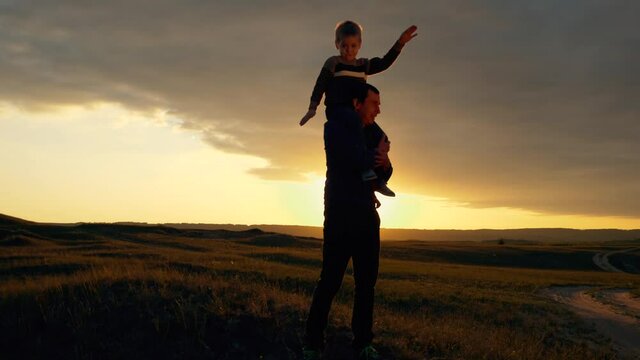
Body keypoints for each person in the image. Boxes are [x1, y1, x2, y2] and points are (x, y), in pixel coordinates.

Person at [303, 84, 390, 360]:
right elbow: (350, 160)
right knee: (330, 281)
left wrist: (383, 162)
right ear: (356, 103)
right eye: (373, 102)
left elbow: (384, 171)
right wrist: (374, 159)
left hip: (366, 215)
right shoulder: (335, 128)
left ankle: (363, 343)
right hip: (340, 215)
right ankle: (313, 344)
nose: (378, 108)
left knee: (366, 284)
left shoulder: (376, 133)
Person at [298, 20, 416, 198]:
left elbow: (384, 63)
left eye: (353, 46)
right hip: (338, 111)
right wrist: (312, 107)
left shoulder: (363, 65)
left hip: (357, 114)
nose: (348, 50)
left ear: (359, 45)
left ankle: (379, 180)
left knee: (380, 138)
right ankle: (366, 172)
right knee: (354, 127)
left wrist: (400, 43)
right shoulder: (333, 63)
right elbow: (321, 83)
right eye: (344, 45)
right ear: (337, 44)